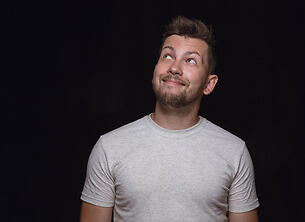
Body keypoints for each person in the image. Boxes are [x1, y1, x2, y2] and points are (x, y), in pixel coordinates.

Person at [80, 15, 260, 222]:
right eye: (167, 56)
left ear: (209, 84)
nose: (174, 68)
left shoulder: (234, 152)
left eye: (190, 60)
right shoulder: (109, 147)